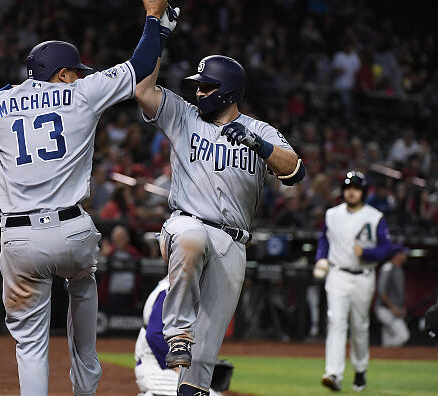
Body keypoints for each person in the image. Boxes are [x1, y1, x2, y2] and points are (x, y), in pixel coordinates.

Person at [0, 0, 167, 394]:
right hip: (73, 232)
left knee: (30, 344)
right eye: (75, 72)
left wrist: (4, 101)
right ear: (62, 73)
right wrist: (155, 20)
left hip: (20, 238)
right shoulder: (82, 94)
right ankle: (84, 388)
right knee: (82, 290)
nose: (80, 76)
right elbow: (141, 65)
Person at [135, 11, 305, 395]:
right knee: (192, 237)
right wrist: (158, 30)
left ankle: (190, 377)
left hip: (234, 244)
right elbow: (143, 91)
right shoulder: (184, 115)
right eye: (197, 86)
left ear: (227, 90)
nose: (198, 93)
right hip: (185, 222)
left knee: (201, 367)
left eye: (206, 87)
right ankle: (177, 330)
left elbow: (295, 172)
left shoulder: (260, 131)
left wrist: (259, 146)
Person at [313, 171, 392, 392]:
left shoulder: (374, 217)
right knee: (336, 322)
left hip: (363, 276)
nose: (351, 191)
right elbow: (324, 240)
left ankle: (360, 369)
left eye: (356, 188)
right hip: (337, 274)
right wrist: (321, 258)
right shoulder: (332, 215)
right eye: (348, 187)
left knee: (360, 326)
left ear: (364, 192)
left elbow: (387, 248)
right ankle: (333, 373)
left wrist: (368, 254)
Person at [134, 276, 231, 396]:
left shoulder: (180, 288)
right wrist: (178, 367)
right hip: (156, 369)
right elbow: (154, 335)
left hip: (166, 370)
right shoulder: (169, 290)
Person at [375, 245, 410, 347]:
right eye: (403, 253)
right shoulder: (388, 268)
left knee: (387, 340)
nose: (405, 256)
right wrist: (393, 307)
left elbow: (399, 293)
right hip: (384, 309)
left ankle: (384, 355)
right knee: (403, 336)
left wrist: (401, 307)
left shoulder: (399, 269)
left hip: (394, 310)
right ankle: (383, 352)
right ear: (397, 255)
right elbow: (381, 292)